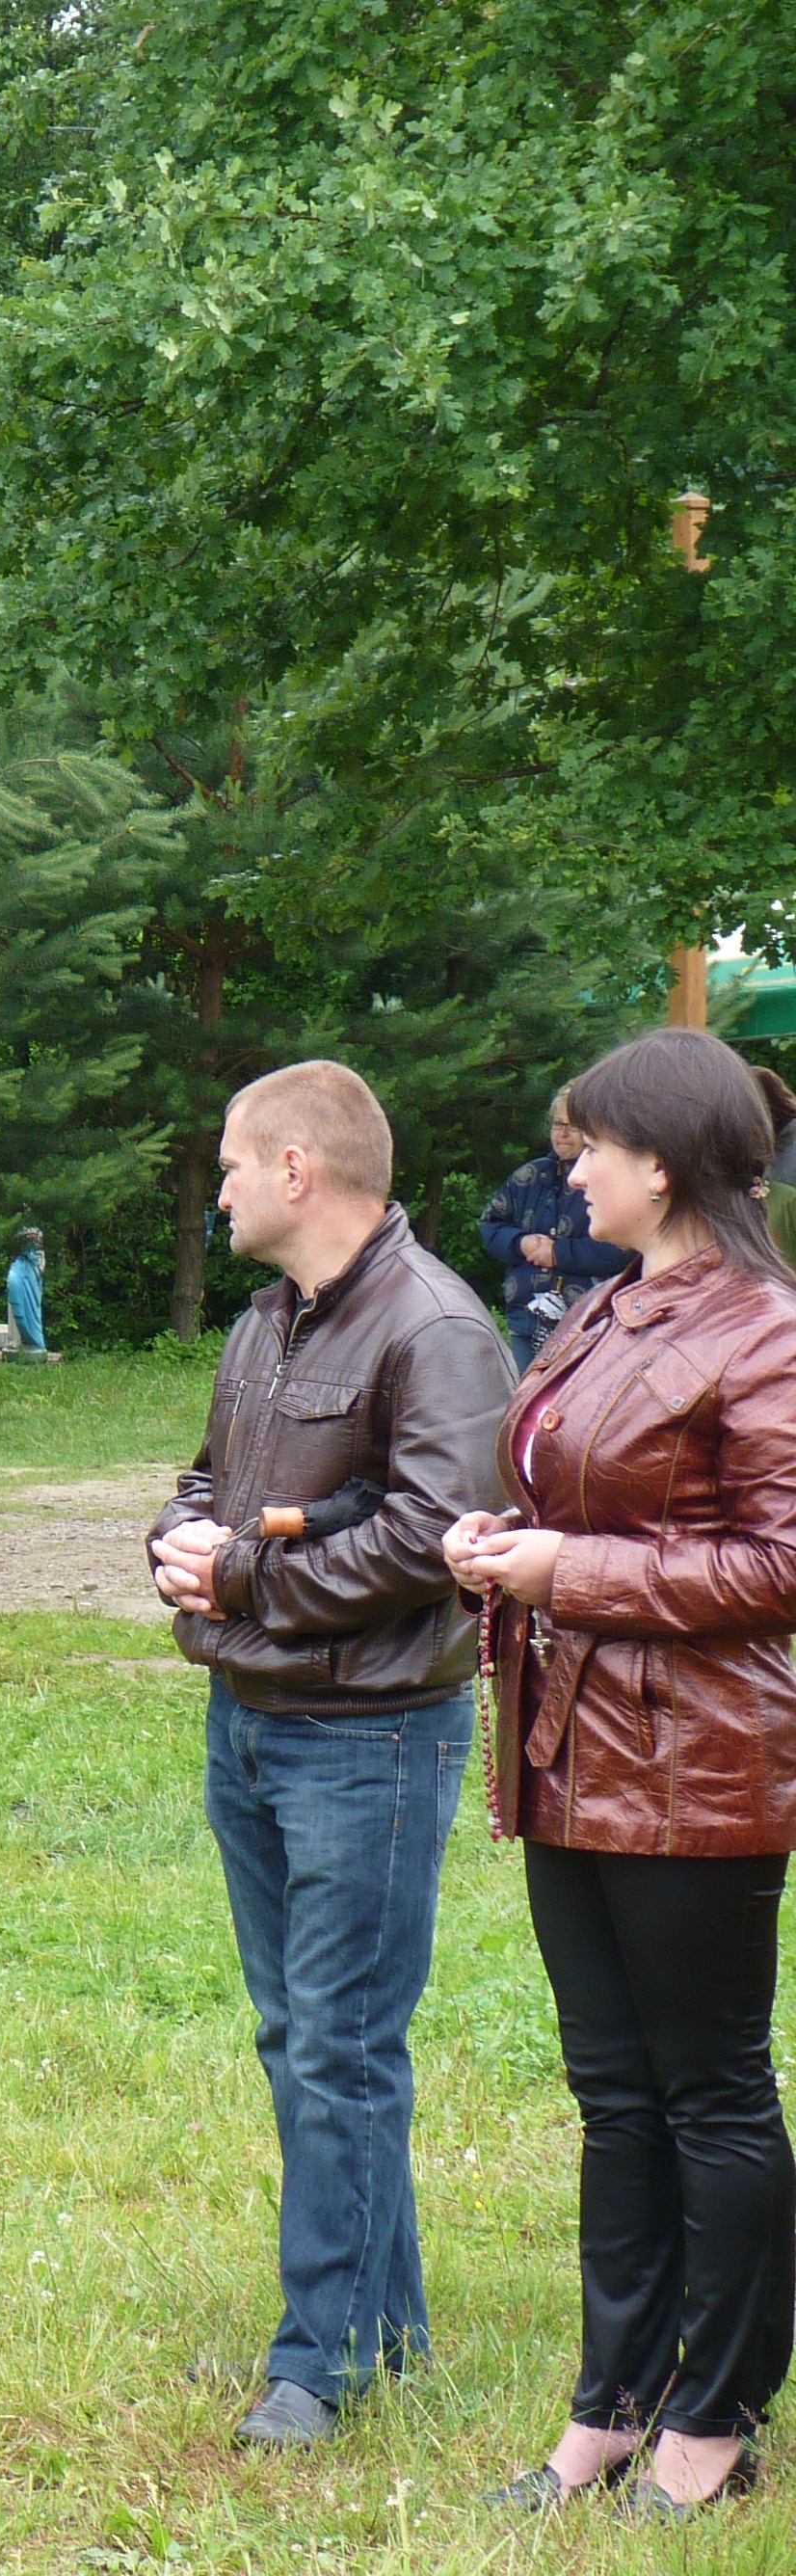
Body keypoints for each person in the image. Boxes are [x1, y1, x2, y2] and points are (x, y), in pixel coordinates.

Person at [454, 1029, 796, 2521]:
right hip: (570, 1745)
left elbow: (783, 1560)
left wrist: (564, 1566)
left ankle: (713, 2421)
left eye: (587, 1145)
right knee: (614, 2096)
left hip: (702, 1766)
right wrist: (498, 1555)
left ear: (661, 1163)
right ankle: (614, 2401)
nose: (567, 1168)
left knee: (709, 2093)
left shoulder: (767, 1330)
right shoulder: (602, 1311)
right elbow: (562, 1493)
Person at [146, 1059, 511, 2451]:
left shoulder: (435, 1328)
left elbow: (438, 1538)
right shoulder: (270, 1320)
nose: (220, 1187)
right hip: (255, 1721)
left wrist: (241, 1581)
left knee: (343, 2047)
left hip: (371, 1735)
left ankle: (326, 2357)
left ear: (299, 1171)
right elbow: (210, 1480)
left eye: (235, 1163)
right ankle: (382, 2322)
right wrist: (183, 1545)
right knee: (305, 2038)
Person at [482, 1092, 636, 1375]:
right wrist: (520, 1243)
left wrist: (558, 1253)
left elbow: (625, 1248)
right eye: (556, 1125)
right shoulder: (528, 1176)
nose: (563, 1134)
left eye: (572, 1126)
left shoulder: (607, 1180)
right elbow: (490, 1225)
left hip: (589, 1325)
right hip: (526, 1321)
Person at [7, 1226, 52, 1356]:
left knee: (31, 1308)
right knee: (14, 1296)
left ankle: (33, 1341)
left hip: (31, 1274)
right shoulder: (14, 1221)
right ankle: (16, 1341)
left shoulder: (37, 1248)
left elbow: (39, 1261)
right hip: (19, 1268)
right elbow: (12, 1241)